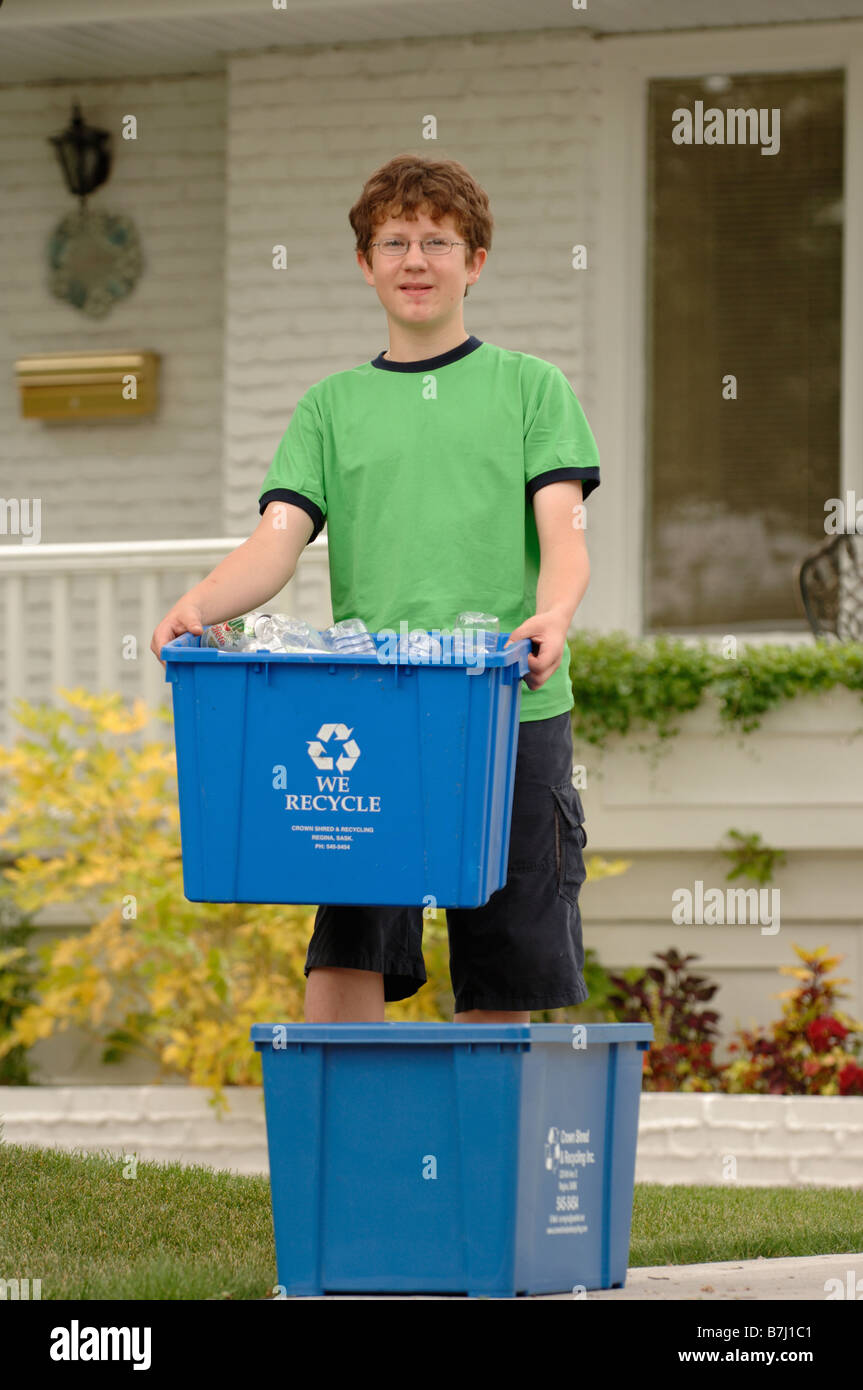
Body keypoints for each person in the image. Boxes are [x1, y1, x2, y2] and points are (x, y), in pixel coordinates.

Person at [151, 153, 600, 1027]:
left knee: (501, 970)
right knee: (347, 955)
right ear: (365, 264)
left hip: (509, 712)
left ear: (475, 261)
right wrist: (202, 603)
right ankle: (347, 1158)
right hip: (375, 719)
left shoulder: (530, 389)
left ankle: (476, 1159)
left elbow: (563, 536)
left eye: (438, 240)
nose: (415, 260)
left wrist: (556, 612)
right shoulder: (330, 407)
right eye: (393, 241)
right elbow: (278, 541)